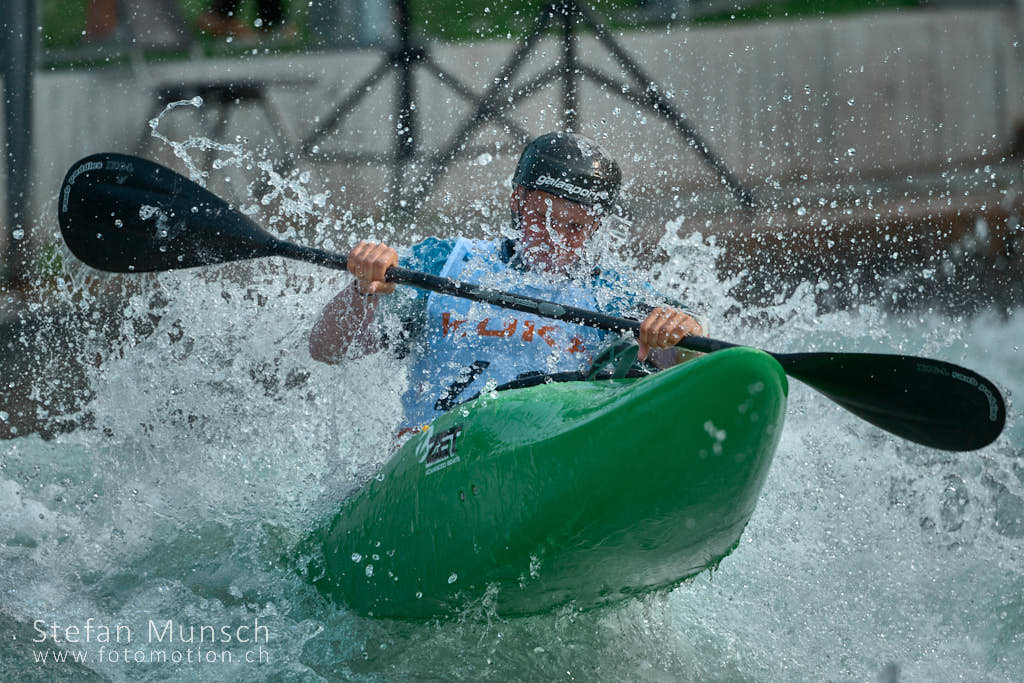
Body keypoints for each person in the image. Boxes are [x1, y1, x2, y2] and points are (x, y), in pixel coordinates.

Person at [309, 132, 705, 432]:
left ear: (596, 227)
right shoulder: (445, 263)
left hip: (546, 449)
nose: (554, 240)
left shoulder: (613, 294)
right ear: (517, 200)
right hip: (433, 453)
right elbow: (326, 349)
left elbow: (690, 366)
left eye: (574, 228)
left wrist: (683, 336)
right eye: (542, 220)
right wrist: (363, 289)